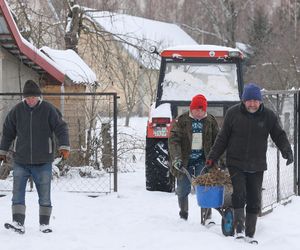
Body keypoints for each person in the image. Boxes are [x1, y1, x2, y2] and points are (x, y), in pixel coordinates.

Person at [206, 83, 293, 243]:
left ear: (260, 101)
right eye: (249, 100)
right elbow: (222, 138)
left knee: (254, 199)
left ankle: (250, 235)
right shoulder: (233, 114)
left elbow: (278, 135)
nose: (252, 104)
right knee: (239, 194)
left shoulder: (269, 116)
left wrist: (286, 150)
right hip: (235, 162)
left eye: (255, 100)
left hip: (257, 164)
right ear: (243, 101)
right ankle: (239, 231)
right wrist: (212, 157)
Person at [0, 80, 70, 234]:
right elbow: (8, 132)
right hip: (21, 160)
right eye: (28, 97)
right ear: (24, 98)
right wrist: (2, 151)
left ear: (39, 97)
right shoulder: (17, 111)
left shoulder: (49, 110)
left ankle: (44, 224)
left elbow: (61, 128)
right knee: (17, 192)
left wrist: (64, 146)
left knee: (44, 194)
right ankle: (18, 222)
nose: (31, 100)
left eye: (33, 97)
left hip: (43, 160)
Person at [168, 94, 220, 223]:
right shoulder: (181, 121)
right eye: (197, 109)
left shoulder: (210, 121)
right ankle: (183, 213)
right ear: (191, 108)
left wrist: (216, 159)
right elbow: (174, 141)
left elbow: (218, 141)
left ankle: (207, 216)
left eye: (202, 110)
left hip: (203, 160)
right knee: (182, 188)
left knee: (205, 187)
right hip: (184, 161)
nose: (199, 112)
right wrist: (176, 159)